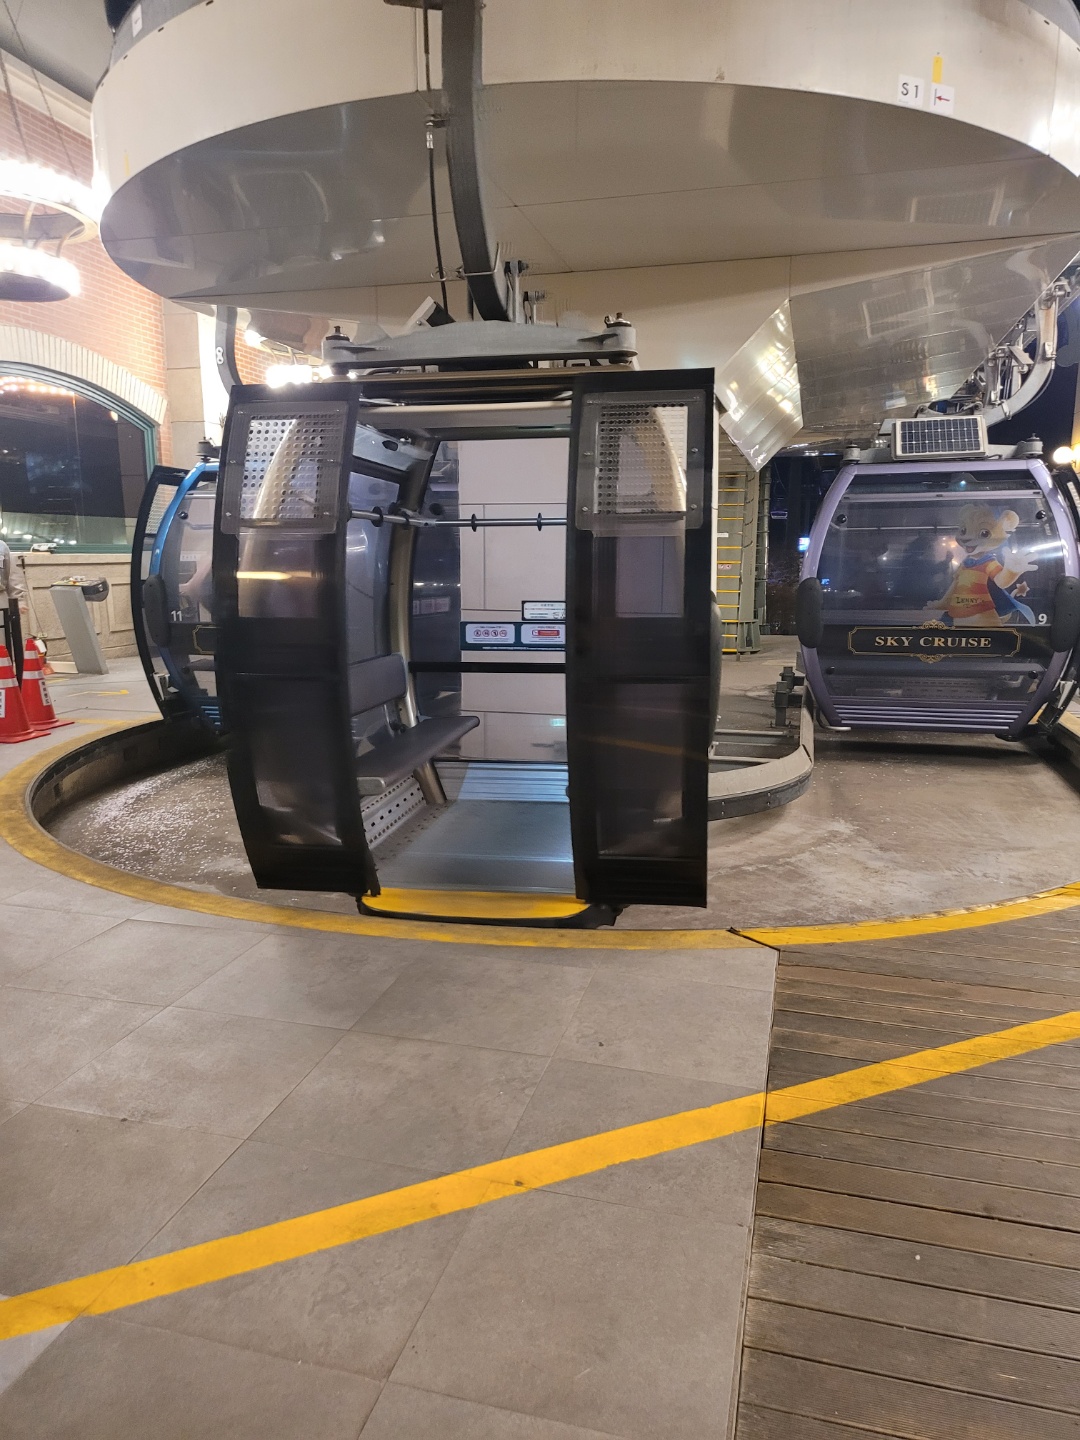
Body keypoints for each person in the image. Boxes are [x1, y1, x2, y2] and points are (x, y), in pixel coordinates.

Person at [0, 537, 26, 682]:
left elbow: (12, 576)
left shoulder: (2, 547)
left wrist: (18, 600)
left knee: (2, 645)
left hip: (1, 598)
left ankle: (5, 683)